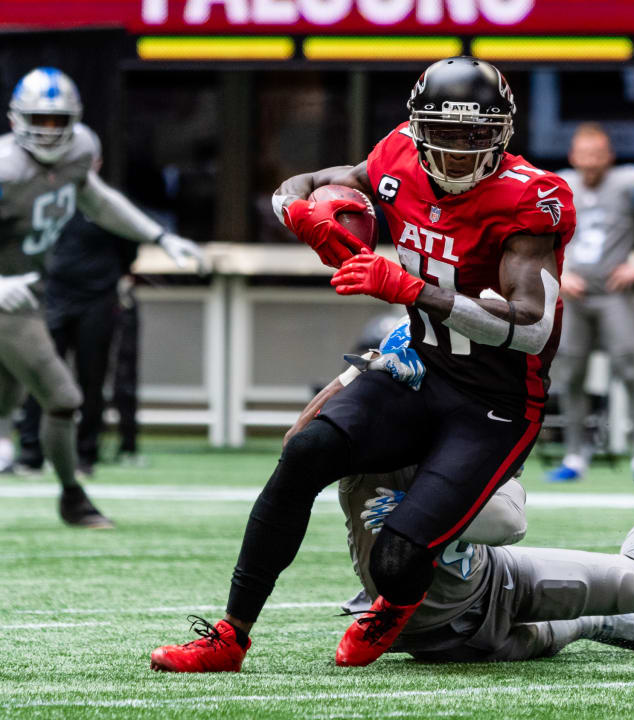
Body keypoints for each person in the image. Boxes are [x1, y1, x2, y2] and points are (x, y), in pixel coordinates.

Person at [150, 57, 577, 673]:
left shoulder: (530, 196)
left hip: (495, 403)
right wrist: (301, 216)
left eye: (474, 135)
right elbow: (300, 184)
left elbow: (532, 331)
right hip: (423, 370)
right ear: (417, 126)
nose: (458, 152)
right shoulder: (398, 152)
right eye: (445, 133)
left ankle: (394, 605)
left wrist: (410, 289)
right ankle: (229, 636)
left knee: (398, 558)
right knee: (304, 454)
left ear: (503, 133)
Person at [278, 341, 634, 663]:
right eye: (379, 381)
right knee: (517, 644)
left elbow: (510, 521)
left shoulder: (468, 426)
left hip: (497, 582)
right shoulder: (359, 440)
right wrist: (349, 380)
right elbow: (296, 450)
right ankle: (589, 622)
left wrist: (423, 514)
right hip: (419, 634)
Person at [0, 67, 206, 528]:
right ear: (16, 119)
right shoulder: (6, 168)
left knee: (5, 404)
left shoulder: (79, 151)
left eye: (58, 121)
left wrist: (158, 235)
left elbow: (96, 200)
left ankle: (69, 494)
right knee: (63, 397)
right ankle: (73, 498)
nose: (49, 130)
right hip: (6, 297)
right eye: (40, 118)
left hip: (24, 294)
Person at [545, 123, 634, 485]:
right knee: (571, 372)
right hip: (574, 295)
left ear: (609, 157)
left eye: (597, 155)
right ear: (572, 157)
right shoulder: (561, 186)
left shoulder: (628, 184)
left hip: (612, 293)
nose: (590, 163)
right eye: (584, 155)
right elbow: (536, 237)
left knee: (629, 369)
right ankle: (575, 454)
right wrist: (558, 273)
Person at [14, 213, 140, 477]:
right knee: (38, 374)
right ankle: (30, 454)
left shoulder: (105, 208)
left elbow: (130, 247)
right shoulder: (51, 202)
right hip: (51, 299)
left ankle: (85, 454)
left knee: (91, 380)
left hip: (97, 302)